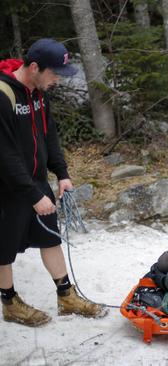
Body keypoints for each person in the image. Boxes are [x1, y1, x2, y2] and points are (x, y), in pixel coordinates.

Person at [0, 38, 106, 327]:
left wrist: (62, 174)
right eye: (54, 72)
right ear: (35, 67)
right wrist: (34, 195)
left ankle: (66, 295)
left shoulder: (39, 93)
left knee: (50, 237)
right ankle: (9, 302)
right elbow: (5, 155)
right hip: (7, 186)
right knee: (4, 247)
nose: (58, 78)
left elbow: (50, 136)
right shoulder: (3, 94)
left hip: (33, 181)